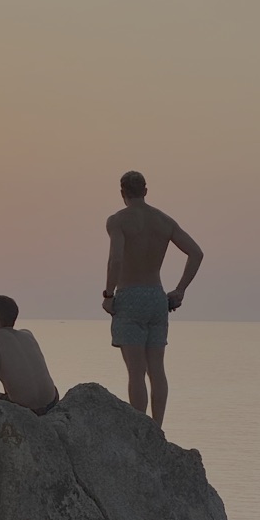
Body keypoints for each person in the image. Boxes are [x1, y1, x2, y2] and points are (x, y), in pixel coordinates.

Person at [103, 171, 203, 427]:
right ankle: (157, 428)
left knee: (136, 372)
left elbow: (116, 259)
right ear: (145, 191)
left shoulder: (118, 221)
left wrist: (108, 294)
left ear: (122, 193)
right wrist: (180, 290)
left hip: (130, 296)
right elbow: (196, 253)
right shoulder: (164, 221)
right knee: (157, 370)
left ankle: (140, 431)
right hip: (157, 297)